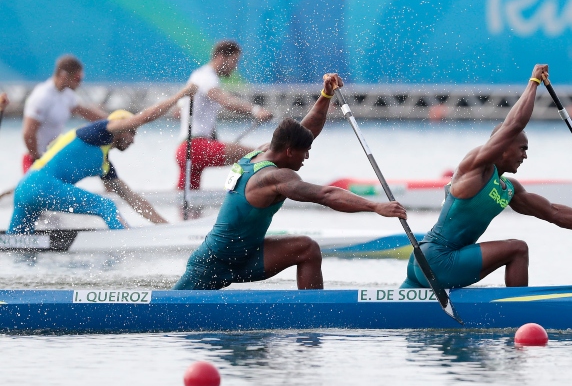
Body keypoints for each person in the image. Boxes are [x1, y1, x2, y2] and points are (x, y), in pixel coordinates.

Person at [401, 64, 572, 290]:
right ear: (501, 147)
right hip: (439, 259)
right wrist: (534, 83)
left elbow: (554, 213)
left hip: (420, 262)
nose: (525, 155)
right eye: (522, 148)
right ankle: (518, 314)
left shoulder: (509, 189)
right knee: (518, 249)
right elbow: (513, 125)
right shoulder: (476, 167)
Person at [174, 74, 407, 291]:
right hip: (214, 262)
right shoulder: (274, 177)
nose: (306, 157)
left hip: (248, 256)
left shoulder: (262, 152)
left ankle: (312, 315)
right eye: (304, 152)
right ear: (288, 151)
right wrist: (375, 206)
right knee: (172, 310)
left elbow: (306, 130)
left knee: (307, 249)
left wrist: (326, 95)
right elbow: (324, 195)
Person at [8, 84, 197, 234]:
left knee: (17, 245)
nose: (133, 140)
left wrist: (168, 229)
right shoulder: (99, 130)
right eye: (132, 132)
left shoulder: (104, 164)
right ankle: (128, 244)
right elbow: (144, 117)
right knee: (105, 205)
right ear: (120, 127)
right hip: (42, 185)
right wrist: (180, 95)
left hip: (25, 188)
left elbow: (134, 200)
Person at [176, 40, 272, 191]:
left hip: (186, 150)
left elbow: (182, 112)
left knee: (187, 203)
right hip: (196, 148)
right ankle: (253, 196)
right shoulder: (207, 77)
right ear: (221, 57)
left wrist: (213, 138)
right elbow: (225, 100)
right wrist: (255, 110)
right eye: (234, 61)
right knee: (260, 156)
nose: (235, 67)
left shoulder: (198, 76)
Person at [21, 55, 107, 173]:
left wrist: (114, 121)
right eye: (77, 78)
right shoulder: (42, 96)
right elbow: (28, 134)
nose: (80, 83)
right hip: (36, 158)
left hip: (53, 157)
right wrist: (37, 159)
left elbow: (87, 113)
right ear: (64, 75)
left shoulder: (67, 94)